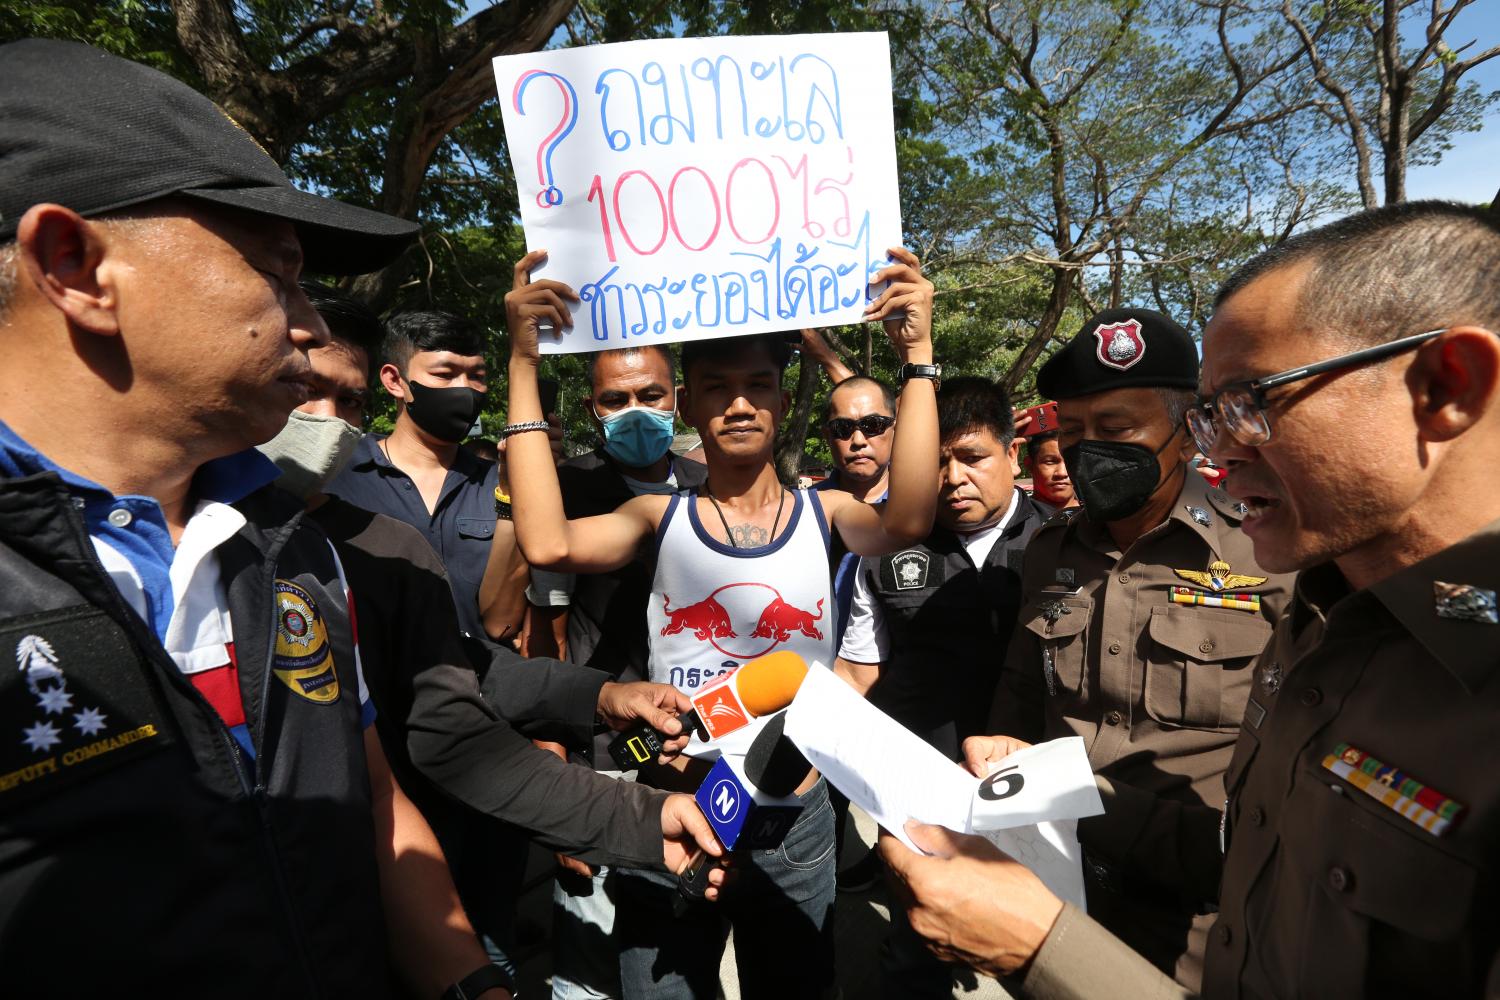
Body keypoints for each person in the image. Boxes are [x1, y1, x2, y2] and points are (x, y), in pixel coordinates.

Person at [881, 200, 1500, 999]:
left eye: (1253, 403)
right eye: (1213, 414)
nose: (1224, 448)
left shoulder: (1286, 574)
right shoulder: (1325, 616)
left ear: (1446, 387)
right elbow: (1255, 853)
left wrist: (1046, 949)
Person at [0, 38, 513, 998]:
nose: (314, 327)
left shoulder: (288, 544)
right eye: (278, 272)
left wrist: (473, 985)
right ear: (75, 265)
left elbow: (371, 810)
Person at [502, 245, 940, 999]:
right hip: (669, 800)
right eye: (717, 388)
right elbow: (547, 544)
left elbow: (908, 517)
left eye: (758, 386)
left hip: (792, 809)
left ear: (781, 400)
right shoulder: (654, 514)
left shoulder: (828, 512)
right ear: (690, 405)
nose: (739, 404)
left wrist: (920, 359)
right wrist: (521, 365)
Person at [258, 286, 727, 984]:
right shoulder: (293, 515)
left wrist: (596, 703)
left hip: (461, 778)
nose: (325, 421)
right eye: (302, 391)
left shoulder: (413, 528)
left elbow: (464, 667)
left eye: (346, 402)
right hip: (293, 859)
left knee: (483, 943)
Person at [985, 309, 1292, 989]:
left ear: (1189, 433)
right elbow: (1021, 689)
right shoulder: (1048, 552)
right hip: (1054, 882)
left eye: (1117, 431)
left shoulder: (1269, 556)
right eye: (1071, 434)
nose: (1087, 451)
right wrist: (996, 744)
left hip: (1198, 914)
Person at [834, 375, 1052, 996]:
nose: (954, 477)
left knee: (1045, 952)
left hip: (1035, 789)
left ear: (1013, 455)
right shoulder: (880, 550)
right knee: (915, 950)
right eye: (935, 461)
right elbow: (857, 670)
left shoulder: (1066, 546)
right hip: (921, 793)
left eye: (973, 457)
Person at [327, 309, 497, 639]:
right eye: (445, 374)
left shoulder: (500, 484)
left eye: (477, 375)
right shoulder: (336, 477)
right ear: (394, 381)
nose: (466, 389)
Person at [1023, 430, 1077, 509]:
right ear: (1029, 464)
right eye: (1050, 462)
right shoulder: (1015, 518)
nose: (1062, 473)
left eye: (1071, 461)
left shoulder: (1097, 515)